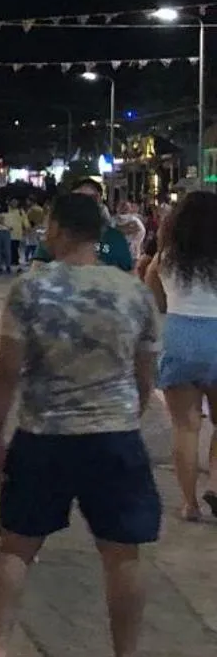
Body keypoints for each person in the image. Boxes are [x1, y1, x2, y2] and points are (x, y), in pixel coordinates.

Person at [0, 193, 162, 657]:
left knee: (17, 544)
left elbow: (7, 370)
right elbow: (146, 376)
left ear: (56, 229)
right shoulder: (132, 292)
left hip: (44, 435)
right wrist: (126, 415)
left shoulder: (31, 288)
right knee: (123, 554)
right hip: (114, 438)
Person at [144, 189, 217, 521]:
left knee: (186, 427)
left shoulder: (166, 258)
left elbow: (157, 302)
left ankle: (190, 504)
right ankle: (215, 484)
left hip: (180, 337)